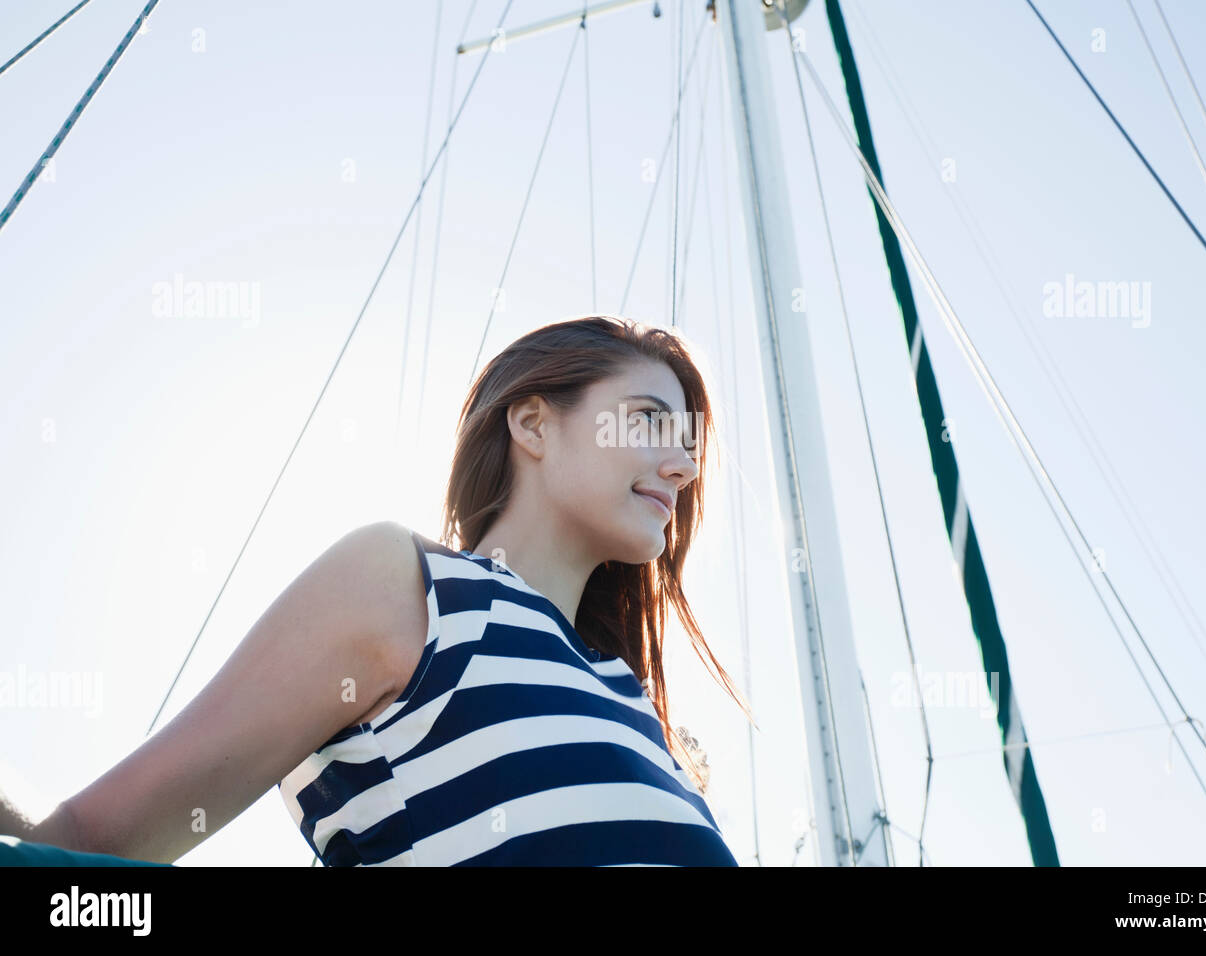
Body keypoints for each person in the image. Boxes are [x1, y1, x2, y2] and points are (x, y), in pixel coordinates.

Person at [2, 315, 753, 866]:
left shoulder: (630, 699)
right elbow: (92, 841)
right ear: (533, 424)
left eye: (687, 446)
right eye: (650, 423)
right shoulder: (414, 590)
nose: (683, 467)